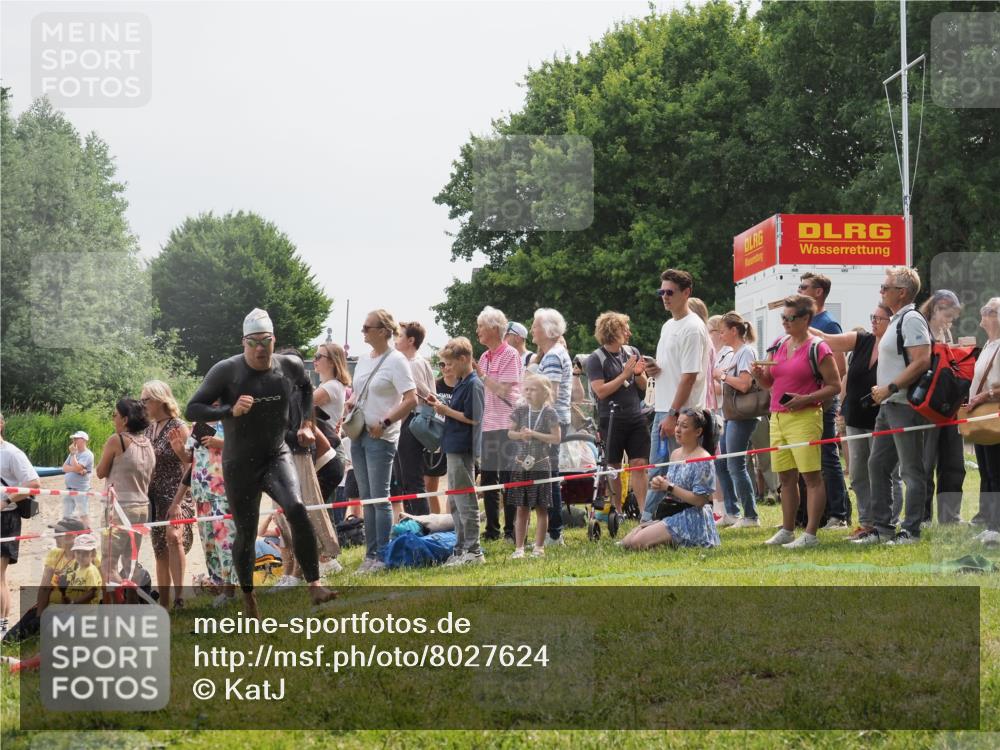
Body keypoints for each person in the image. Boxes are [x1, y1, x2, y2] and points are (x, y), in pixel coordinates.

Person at [185, 308, 337, 616]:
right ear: (244, 342)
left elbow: (306, 389)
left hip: (275, 453)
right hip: (239, 461)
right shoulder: (227, 371)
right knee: (246, 530)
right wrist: (229, 411)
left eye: (265, 342)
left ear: (273, 340)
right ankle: (248, 597)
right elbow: (193, 408)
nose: (259, 349)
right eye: (253, 342)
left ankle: (315, 585)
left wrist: (307, 423)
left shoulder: (290, 366)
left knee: (296, 508)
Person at [752, 294, 841, 548]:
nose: (785, 322)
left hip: (804, 417)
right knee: (786, 478)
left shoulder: (818, 347)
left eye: (790, 318)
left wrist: (806, 398)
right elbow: (770, 383)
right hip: (778, 416)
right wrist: (759, 377)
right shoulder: (779, 344)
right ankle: (788, 529)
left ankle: (811, 534)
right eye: (783, 317)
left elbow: (834, 386)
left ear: (805, 319)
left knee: (811, 477)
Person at [854, 268, 933, 545]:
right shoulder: (898, 318)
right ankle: (883, 528)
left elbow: (922, 360)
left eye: (885, 287)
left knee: (911, 470)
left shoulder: (910, 319)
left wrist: (891, 387)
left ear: (902, 292)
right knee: (876, 465)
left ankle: (911, 530)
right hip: (887, 406)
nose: (881, 291)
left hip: (903, 405)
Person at [810, 304, 903, 540]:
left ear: (891, 322)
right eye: (873, 317)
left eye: (880, 318)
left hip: (882, 417)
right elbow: (827, 339)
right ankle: (866, 523)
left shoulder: (895, 346)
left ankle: (888, 521)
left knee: (886, 473)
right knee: (859, 472)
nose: (874, 321)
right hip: (855, 415)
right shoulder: (862, 340)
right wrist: (801, 322)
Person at [344, 309, 417, 573]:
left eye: (367, 327)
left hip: (381, 436)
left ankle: (382, 554)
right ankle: (370, 554)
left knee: (380, 497)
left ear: (383, 331)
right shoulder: (363, 359)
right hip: (359, 433)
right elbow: (358, 392)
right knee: (367, 497)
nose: (363, 331)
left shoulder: (397, 360)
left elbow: (411, 399)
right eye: (363, 327)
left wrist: (385, 422)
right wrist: (350, 403)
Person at [643, 268, 710, 521]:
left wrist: (673, 415)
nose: (664, 296)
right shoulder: (669, 325)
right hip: (664, 409)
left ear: (686, 293)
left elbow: (689, 376)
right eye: (661, 292)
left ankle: (675, 521)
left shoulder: (693, 327)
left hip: (681, 412)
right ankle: (650, 521)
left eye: (670, 292)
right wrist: (654, 369)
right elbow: (674, 370)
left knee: (678, 474)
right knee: (657, 472)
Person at [620, 409, 720, 551]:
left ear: (698, 432)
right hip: (671, 513)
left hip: (692, 517)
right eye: (677, 424)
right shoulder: (675, 454)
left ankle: (670, 542)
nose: (678, 430)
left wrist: (669, 487)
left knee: (637, 542)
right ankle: (665, 541)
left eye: (684, 426)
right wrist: (660, 483)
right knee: (627, 542)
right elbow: (673, 483)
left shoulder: (703, 459)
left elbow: (700, 500)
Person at [798, 272, 851, 529]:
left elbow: (839, 368)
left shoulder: (828, 325)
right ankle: (815, 513)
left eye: (804, 287)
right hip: (807, 402)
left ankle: (838, 514)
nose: (799, 290)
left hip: (825, 402)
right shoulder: (804, 324)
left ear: (818, 292)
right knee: (811, 458)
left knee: (829, 457)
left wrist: (821, 392)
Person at [426, 337, 484, 566]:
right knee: (455, 503)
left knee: (466, 501)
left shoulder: (473, 384)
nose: (448, 368)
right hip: (453, 446)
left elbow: (474, 418)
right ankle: (460, 548)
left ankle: (473, 550)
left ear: (464, 359)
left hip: (463, 448)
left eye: (450, 363)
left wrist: (445, 410)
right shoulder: (462, 382)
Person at [585, 312, 650, 516]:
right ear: (613, 332)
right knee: (613, 467)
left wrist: (638, 374)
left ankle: (644, 512)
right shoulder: (596, 359)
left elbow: (644, 385)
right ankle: (618, 511)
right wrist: (624, 374)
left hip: (635, 416)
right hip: (611, 419)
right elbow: (600, 391)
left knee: (639, 464)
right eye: (624, 329)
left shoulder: (632, 352)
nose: (629, 333)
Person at [141, 380, 193, 609]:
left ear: (160, 399)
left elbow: (192, 464)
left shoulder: (178, 426)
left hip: (177, 494)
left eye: (146, 400)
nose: (143, 405)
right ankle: (164, 604)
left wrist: (181, 452)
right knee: (159, 549)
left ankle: (180, 597)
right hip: (154, 497)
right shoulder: (148, 429)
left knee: (174, 538)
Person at [475, 306, 523, 542]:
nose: (478, 332)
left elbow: (504, 389)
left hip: (508, 424)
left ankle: (511, 530)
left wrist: (481, 376)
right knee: (488, 479)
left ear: (494, 328)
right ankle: (492, 530)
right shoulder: (484, 357)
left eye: (481, 327)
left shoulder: (510, 354)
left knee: (509, 478)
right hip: (488, 425)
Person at [95, 398, 155, 587]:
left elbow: (100, 472)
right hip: (142, 507)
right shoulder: (147, 443)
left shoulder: (117, 440)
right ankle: (132, 603)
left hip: (119, 509)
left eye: (115, 415)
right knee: (131, 562)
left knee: (109, 564)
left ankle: (113, 608)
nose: (113, 419)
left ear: (125, 419)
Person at [918, 290, 966, 524]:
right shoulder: (922, 330)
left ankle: (950, 516)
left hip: (950, 407)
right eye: (949, 313)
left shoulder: (945, 331)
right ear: (937, 308)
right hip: (929, 407)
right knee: (925, 465)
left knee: (953, 463)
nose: (952, 319)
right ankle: (923, 515)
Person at [712, 312, 761, 528]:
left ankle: (750, 515)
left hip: (743, 415)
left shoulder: (747, 352)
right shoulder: (736, 353)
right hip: (731, 415)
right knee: (722, 462)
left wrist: (721, 376)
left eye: (723, 331)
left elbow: (744, 384)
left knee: (735, 465)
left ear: (734, 331)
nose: (720, 335)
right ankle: (732, 511)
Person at [531, 308, 573, 545]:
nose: (532, 330)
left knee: (548, 477)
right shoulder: (551, 355)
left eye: (535, 326)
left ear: (547, 331)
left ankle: (554, 533)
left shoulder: (554, 356)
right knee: (547, 476)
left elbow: (551, 396)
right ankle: (551, 531)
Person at [507, 374, 561, 558]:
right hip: (521, 464)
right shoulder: (521, 411)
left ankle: (539, 547)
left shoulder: (550, 413)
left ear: (545, 393)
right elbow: (509, 433)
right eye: (526, 389)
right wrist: (520, 435)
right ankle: (519, 548)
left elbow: (556, 438)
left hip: (541, 464)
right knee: (521, 508)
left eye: (533, 389)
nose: (528, 393)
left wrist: (535, 434)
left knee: (541, 507)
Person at [187, 419, 236, 607]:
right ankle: (217, 586)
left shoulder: (232, 422)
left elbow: (247, 447)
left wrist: (222, 444)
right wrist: (178, 449)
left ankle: (230, 589)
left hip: (223, 491)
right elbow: (188, 457)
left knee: (225, 543)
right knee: (209, 543)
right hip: (201, 493)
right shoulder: (198, 426)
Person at [0, 412, 41, 638]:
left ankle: (1, 629)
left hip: (6, 518)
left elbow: (33, 483)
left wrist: (5, 501)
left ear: (1, 425)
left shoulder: (12, 453)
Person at [392, 321, 436, 517]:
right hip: (407, 422)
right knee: (405, 478)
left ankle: (421, 523)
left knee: (412, 478)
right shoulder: (410, 362)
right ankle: (413, 521)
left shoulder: (414, 364)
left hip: (413, 421)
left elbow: (426, 395)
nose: (395, 340)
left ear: (411, 340)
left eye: (400, 336)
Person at [968, 298, 1000, 545]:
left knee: (995, 471)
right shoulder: (990, 345)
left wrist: (983, 395)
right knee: (987, 472)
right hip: (981, 415)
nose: (983, 313)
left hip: (992, 414)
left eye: (988, 310)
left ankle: (996, 526)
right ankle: (990, 523)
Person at [424, 359, 457, 514]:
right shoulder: (435, 385)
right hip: (436, 437)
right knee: (430, 482)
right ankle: (435, 520)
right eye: (442, 364)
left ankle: (450, 521)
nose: (445, 367)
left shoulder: (463, 385)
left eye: (448, 363)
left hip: (456, 437)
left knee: (454, 484)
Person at [62, 430, 94, 529]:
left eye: (76, 438)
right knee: (67, 512)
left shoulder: (88, 454)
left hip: (81, 489)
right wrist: (76, 469)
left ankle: (88, 531)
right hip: (70, 488)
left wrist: (73, 457)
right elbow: (64, 468)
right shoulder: (73, 453)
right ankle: (67, 531)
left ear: (84, 440)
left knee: (83, 513)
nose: (74, 440)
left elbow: (78, 467)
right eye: (74, 438)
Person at [60, 533, 102, 605]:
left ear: (93, 554)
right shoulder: (76, 570)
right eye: (78, 552)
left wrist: (74, 603)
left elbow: (92, 593)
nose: (81, 556)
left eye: (85, 553)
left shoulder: (91, 571)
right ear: (74, 553)